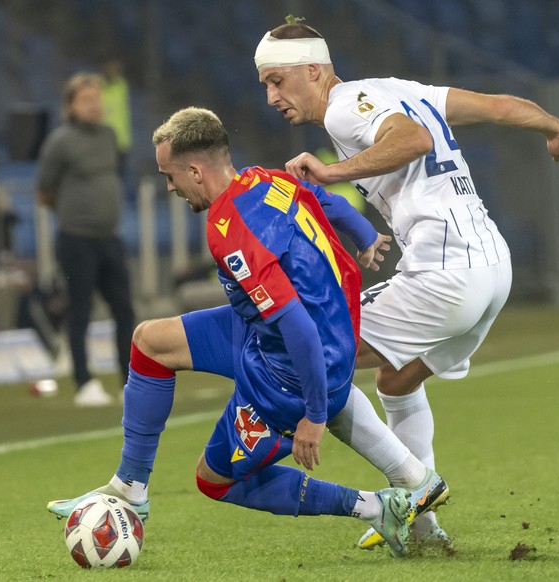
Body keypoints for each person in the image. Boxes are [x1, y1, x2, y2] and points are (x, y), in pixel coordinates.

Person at [254, 17, 559, 550]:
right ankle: (422, 530)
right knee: (397, 382)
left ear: (314, 69)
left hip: (447, 272)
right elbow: (496, 106)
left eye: (277, 81)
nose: (271, 96)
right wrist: (553, 127)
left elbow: (413, 139)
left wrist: (329, 173)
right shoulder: (402, 90)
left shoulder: (349, 106)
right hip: (492, 269)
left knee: (313, 353)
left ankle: (414, 492)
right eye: (265, 85)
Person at [46, 107, 449, 557]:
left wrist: (314, 415)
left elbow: (296, 324)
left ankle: (375, 508)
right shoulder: (265, 179)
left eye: (170, 175)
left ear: (195, 170)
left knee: (212, 479)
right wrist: (364, 235)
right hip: (275, 333)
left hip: (287, 376)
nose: (169, 187)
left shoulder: (231, 231)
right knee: (149, 342)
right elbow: (324, 199)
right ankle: (130, 488)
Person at [36, 73, 135, 407]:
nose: (95, 106)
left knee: (125, 310)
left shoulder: (110, 136)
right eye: (87, 100)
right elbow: (44, 189)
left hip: (109, 237)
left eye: (97, 99)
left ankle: (129, 382)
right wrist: (74, 213)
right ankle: (84, 382)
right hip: (76, 239)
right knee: (80, 310)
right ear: (71, 106)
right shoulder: (60, 141)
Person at [100, 58, 132, 186]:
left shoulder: (122, 86)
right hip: (104, 140)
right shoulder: (98, 86)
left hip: (121, 141)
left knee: (119, 178)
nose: (115, 71)